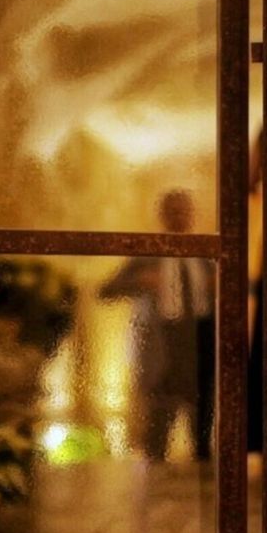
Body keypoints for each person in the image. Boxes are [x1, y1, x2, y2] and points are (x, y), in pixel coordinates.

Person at [100, 190, 215, 460]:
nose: (179, 216)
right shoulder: (146, 255)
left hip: (201, 342)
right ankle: (153, 487)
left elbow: (235, 287)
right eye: (173, 211)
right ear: (162, 215)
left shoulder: (206, 256)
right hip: (160, 344)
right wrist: (139, 282)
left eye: (184, 210)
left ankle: (205, 488)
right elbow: (105, 290)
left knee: (202, 426)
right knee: (157, 429)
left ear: (192, 214)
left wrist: (219, 287)